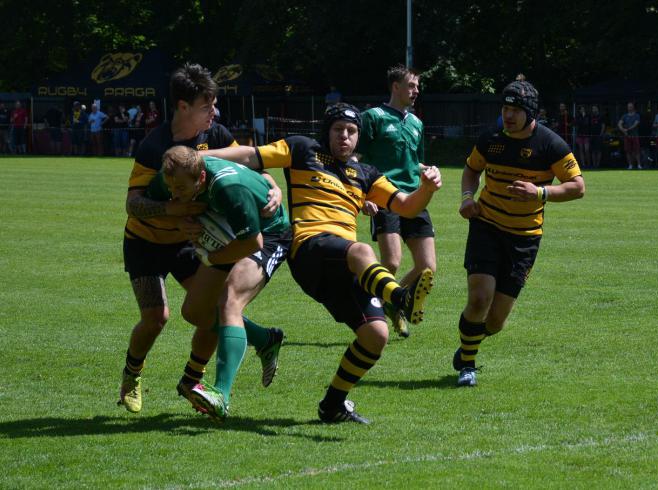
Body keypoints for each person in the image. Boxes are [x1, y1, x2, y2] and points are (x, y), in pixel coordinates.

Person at [203, 103, 441, 424]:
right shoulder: (303, 149)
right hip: (309, 248)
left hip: (344, 264)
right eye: (338, 130)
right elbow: (250, 156)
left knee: (376, 335)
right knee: (361, 250)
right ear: (326, 131)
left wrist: (427, 188)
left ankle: (333, 405)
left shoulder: (367, 174)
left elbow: (407, 206)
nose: (345, 137)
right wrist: (199, 157)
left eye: (352, 131)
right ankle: (400, 298)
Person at [117, 63, 283, 414]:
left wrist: (274, 187)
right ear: (183, 106)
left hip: (189, 244)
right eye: (207, 106)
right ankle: (132, 374)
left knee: (210, 308)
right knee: (156, 317)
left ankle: (193, 379)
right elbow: (134, 204)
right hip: (146, 242)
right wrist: (176, 212)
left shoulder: (217, 135)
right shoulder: (155, 145)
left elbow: (250, 165)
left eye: (214, 104)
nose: (214, 112)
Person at [144, 146, 291, 422]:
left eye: (180, 188)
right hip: (228, 230)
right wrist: (179, 220)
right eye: (170, 187)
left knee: (229, 301)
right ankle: (265, 339)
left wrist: (210, 257)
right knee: (195, 312)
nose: (174, 193)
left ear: (201, 179)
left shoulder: (228, 189)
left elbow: (252, 243)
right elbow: (151, 205)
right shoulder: (173, 176)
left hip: (268, 233)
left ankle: (221, 396)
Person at [453, 80, 585, 387]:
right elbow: (472, 169)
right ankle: (468, 366)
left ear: (531, 113)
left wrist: (539, 192)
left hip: (524, 238)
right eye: (505, 108)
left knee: (496, 322)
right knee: (479, 299)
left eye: (515, 110)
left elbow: (578, 187)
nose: (508, 116)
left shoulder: (550, 144)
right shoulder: (491, 138)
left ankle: (468, 344)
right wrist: (467, 198)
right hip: (487, 226)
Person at [357, 64, 434, 338]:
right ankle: (368, 311)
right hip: (385, 196)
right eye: (411, 85)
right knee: (390, 262)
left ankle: (392, 301)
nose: (416, 91)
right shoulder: (372, 117)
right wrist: (362, 196)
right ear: (396, 87)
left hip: (414, 198)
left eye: (417, 86)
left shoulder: (416, 123)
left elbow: (415, 163)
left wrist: (429, 170)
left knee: (427, 267)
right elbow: (356, 160)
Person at [618, 102, 641, 169]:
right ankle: (630, 165)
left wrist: (627, 129)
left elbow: (636, 124)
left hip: (635, 136)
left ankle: (639, 164)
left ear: (633, 107)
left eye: (631, 106)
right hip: (627, 136)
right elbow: (619, 124)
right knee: (628, 151)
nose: (629, 108)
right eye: (628, 106)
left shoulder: (637, 115)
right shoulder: (624, 116)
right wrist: (623, 130)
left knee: (636, 151)